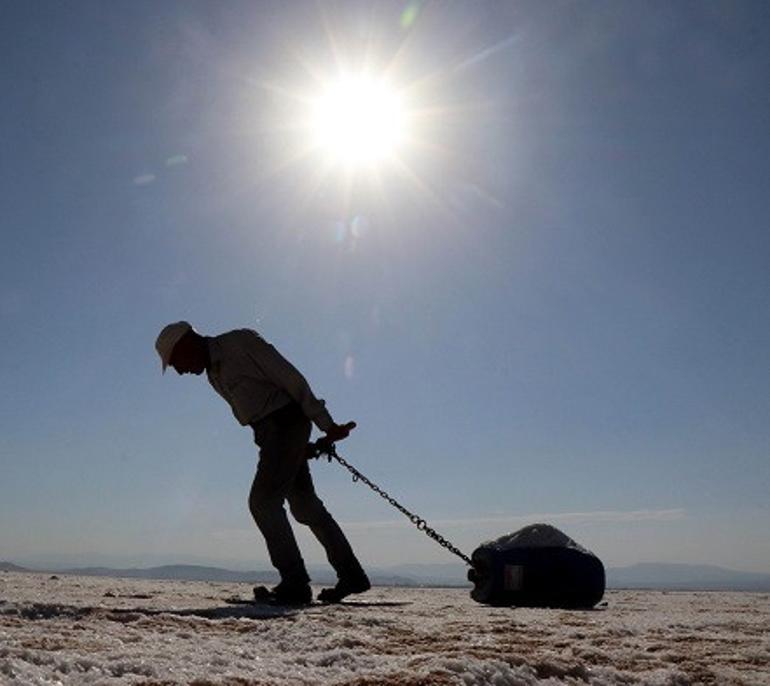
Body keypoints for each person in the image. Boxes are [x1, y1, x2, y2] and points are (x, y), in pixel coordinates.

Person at [155, 321, 370, 604]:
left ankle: (295, 584)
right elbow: (260, 413)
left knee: (263, 503)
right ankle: (351, 575)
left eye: (175, 362)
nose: (180, 371)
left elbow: (290, 379)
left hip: (285, 426)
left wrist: (325, 425)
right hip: (276, 436)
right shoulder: (213, 374)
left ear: (186, 343)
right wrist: (294, 448)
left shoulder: (238, 343)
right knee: (305, 507)